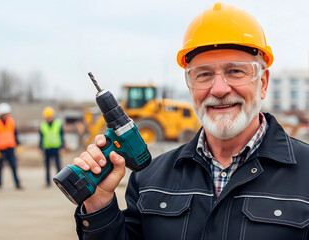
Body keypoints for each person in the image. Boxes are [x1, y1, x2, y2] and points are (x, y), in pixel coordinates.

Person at [71, 3, 309, 239]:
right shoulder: (149, 179)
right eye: (204, 74)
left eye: (235, 71)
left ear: (263, 82)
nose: (218, 89)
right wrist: (99, 205)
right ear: (190, 85)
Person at [0, 102, 23, 190]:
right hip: (1, 149)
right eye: (5, 114)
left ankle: (17, 184)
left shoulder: (11, 121)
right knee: (0, 168)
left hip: (10, 148)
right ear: (1, 114)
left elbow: (15, 134)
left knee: (13, 166)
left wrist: (18, 144)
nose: (6, 115)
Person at [39, 106, 65, 187]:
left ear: (52, 116)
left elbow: (61, 136)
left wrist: (62, 147)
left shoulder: (58, 123)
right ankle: (47, 182)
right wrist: (40, 148)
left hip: (56, 148)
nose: (48, 118)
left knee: (58, 166)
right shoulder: (42, 125)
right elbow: (41, 137)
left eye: (49, 116)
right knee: (47, 167)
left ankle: (60, 182)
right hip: (47, 149)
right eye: (47, 117)